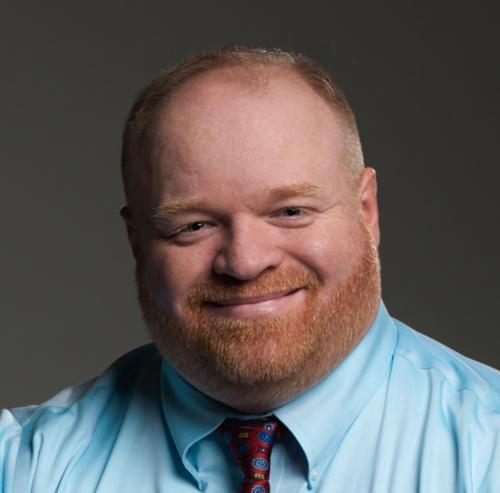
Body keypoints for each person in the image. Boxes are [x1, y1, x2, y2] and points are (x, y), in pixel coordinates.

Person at [1, 47, 499, 493]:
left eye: (290, 211)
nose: (244, 262)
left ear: (366, 212)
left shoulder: (487, 450)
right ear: (137, 243)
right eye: (193, 225)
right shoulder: (23, 469)